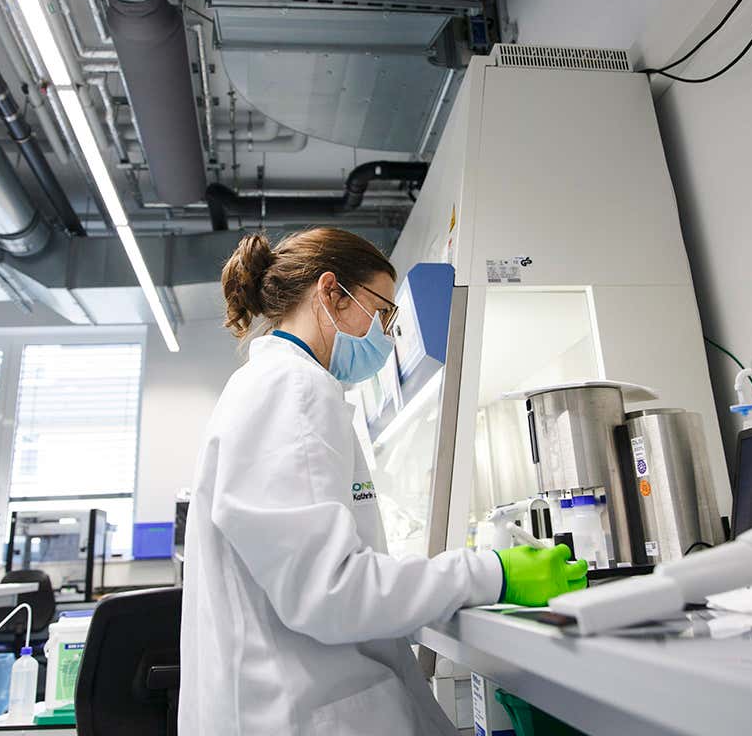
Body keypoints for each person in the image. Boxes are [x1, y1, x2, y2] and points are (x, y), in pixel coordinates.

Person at [179, 228, 587, 735]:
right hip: (301, 714)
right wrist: (492, 573)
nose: (387, 335)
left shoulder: (275, 386)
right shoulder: (293, 389)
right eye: (382, 313)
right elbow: (329, 591)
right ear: (332, 292)